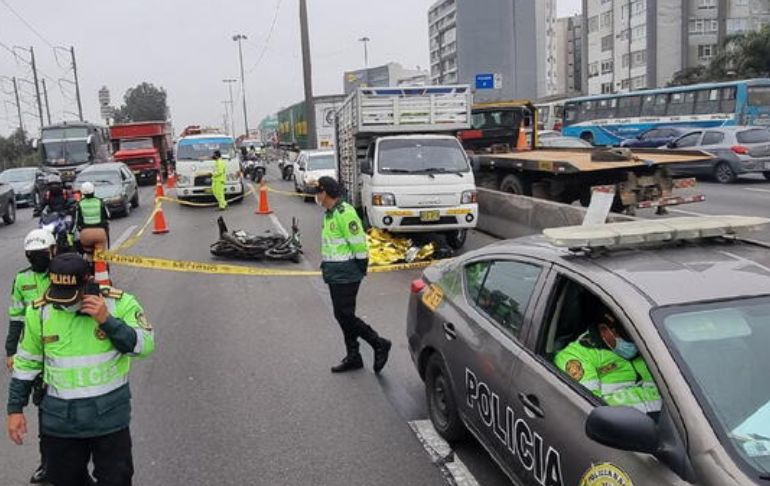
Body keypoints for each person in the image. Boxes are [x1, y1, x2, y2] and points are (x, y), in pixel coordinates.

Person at [7, 253, 155, 486]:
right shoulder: (39, 312)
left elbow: (144, 346)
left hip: (109, 420)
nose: (64, 305)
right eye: (59, 296)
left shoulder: (119, 303)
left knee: (117, 480)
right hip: (60, 423)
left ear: (88, 283)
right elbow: (26, 364)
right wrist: (15, 409)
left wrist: (107, 321)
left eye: (71, 297)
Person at [310, 176, 391, 374]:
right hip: (334, 273)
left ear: (325, 193)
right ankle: (354, 356)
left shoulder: (344, 213)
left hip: (346, 273)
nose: (316, 197)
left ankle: (378, 343)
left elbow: (359, 245)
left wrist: (360, 268)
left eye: (318, 193)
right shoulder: (329, 214)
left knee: (345, 315)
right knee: (342, 315)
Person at [6, 229, 57, 484]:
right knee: (43, 409)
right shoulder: (21, 280)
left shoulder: (63, 273)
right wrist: (10, 351)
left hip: (62, 346)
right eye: (32, 255)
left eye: (41, 254)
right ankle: (47, 464)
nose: (38, 259)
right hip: (34, 350)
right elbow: (15, 319)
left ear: (53, 252)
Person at [554, 311, 661, 414]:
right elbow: (589, 408)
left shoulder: (646, 345)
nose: (634, 342)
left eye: (635, 336)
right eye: (627, 337)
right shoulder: (575, 356)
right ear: (604, 330)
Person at [76, 181, 110, 264]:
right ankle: (103, 272)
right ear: (93, 191)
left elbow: (77, 220)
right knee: (100, 257)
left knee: (88, 256)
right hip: (100, 233)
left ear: (82, 193)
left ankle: (89, 271)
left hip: (85, 234)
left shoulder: (79, 203)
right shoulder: (99, 201)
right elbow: (108, 215)